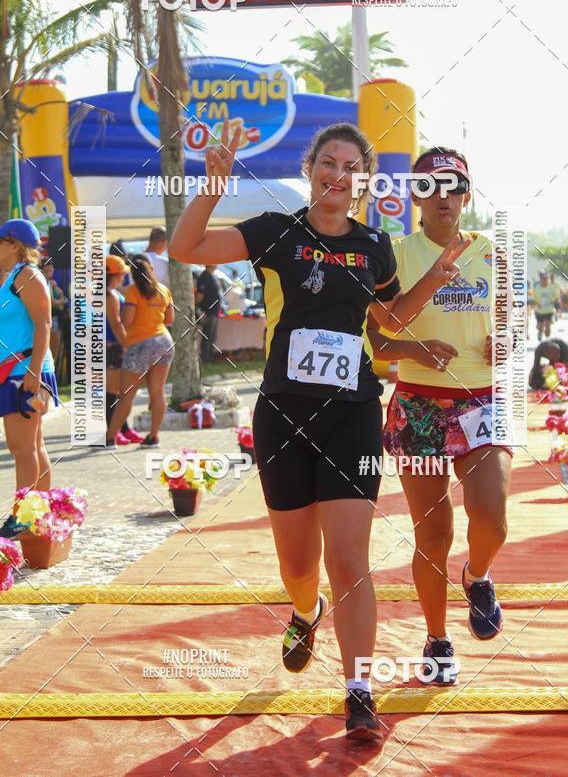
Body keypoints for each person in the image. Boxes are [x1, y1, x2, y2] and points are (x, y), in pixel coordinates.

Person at [169, 120, 470, 742]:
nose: (339, 175)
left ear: (364, 181)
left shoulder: (375, 246)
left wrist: (433, 280)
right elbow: (186, 249)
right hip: (282, 414)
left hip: (353, 413)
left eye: (352, 167)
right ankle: (305, 611)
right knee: (299, 564)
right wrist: (212, 184)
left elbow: (385, 320)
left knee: (350, 558)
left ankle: (359, 689)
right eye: (328, 162)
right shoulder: (275, 232)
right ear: (310, 170)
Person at [369, 146, 512, 687]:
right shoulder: (393, 253)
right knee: (432, 537)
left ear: (467, 194)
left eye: (453, 185)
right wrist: (414, 350)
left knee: (493, 519)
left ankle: (478, 576)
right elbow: (377, 339)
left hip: (482, 402)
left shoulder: (492, 252)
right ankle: (437, 641)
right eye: (429, 186)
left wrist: (507, 341)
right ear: (414, 196)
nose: (443, 195)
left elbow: (507, 321)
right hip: (419, 409)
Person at [0, 219, 58, 538]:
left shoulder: (27, 275)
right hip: (15, 370)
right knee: (33, 445)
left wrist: (35, 371)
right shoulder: (10, 277)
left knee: (22, 448)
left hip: (26, 371)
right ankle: (37, 513)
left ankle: (23, 516)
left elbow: (44, 324)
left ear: (13, 245)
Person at [106, 254, 174, 449]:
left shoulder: (132, 292)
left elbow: (127, 320)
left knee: (127, 395)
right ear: (150, 271)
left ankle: (110, 438)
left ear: (133, 275)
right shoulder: (163, 290)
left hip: (140, 345)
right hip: (164, 342)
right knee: (158, 392)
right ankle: (153, 437)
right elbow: (169, 320)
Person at [105, 255, 145, 444]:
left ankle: (123, 428)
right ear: (113, 275)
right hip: (113, 346)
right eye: (120, 274)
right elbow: (116, 324)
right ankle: (113, 431)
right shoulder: (109, 295)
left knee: (121, 390)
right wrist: (127, 345)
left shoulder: (110, 293)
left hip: (113, 345)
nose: (123, 278)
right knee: (113, 390)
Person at [40, 259, 67, 361]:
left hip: (53, 316)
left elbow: (60, 293)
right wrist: (63, 301)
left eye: (50, 270)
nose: (49, 273)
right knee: (50, 346)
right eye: (46, 271)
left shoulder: (51, 283)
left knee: (54, 346)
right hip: (48, 318)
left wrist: (55, 288)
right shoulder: (44, 283)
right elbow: (53, 302)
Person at [195, 265, 222, 363]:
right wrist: (198, 308)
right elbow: (199, 295)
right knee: (207, 335)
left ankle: (210, 356)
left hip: (214, 311)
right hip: (207, 311)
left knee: (212, 336)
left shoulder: (212, 276)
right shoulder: (204, 277)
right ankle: (205, 358)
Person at [532, 271, 560, 341]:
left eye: (546, 279)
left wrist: (553, 301)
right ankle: (540, 331)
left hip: (549, 310)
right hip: (539, 310)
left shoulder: (552, 287)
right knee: (540, 326)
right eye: (543, 279)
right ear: (540, 279)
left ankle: (547, 339)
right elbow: (533, 298)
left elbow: (556, 296)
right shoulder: (537, 288)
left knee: (548, 325)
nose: (545, 280)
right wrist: (537, 304)